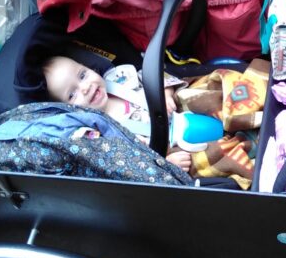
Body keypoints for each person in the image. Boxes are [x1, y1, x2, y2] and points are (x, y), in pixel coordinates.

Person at [42, 55, 193, 172]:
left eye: (82, 75)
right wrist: (167, 163)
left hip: (185, 106)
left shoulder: (120, 78)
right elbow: (136, 164)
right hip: (175, 150)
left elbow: (158, 76)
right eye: (71, 95)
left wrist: (165, 94)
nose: (85, 87)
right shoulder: (101, 134)